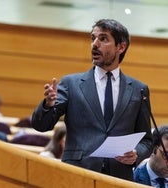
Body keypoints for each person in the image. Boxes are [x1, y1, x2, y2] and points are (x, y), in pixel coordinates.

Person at [31, 19, 153, 181]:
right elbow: (41, 125)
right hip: (78, 175)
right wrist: (47, 105)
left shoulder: (139, 89)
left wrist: (136, 153)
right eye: (92, 38)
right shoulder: (71, 84)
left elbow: (146, 140)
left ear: (121, 47)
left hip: (119, 177)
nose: (94, 44)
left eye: (103, 39)